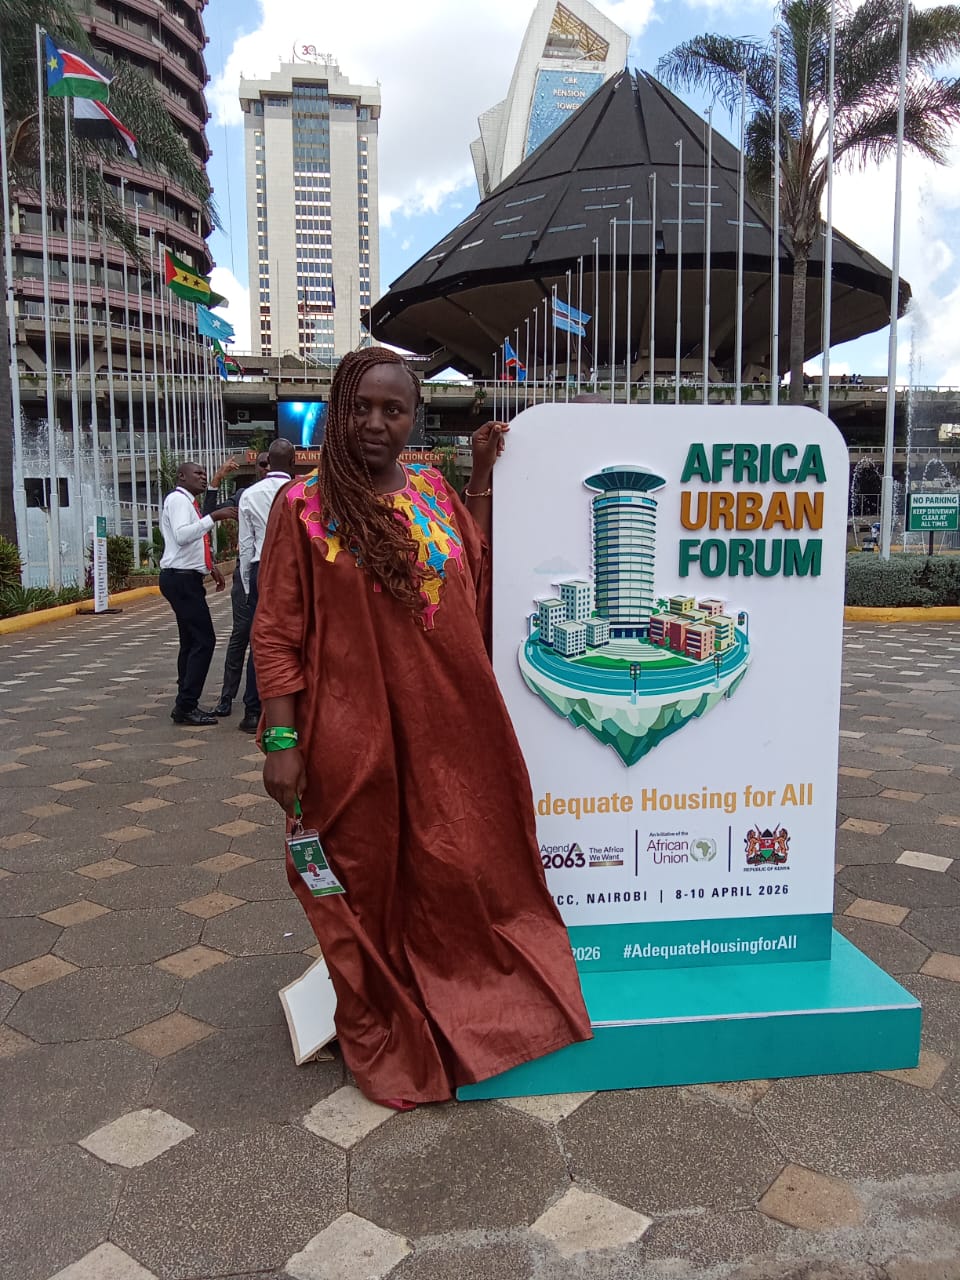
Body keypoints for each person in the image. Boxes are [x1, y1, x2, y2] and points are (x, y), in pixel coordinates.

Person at [253, 347, 592, 1110]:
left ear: (414, 418)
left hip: (450, 720)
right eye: (360, 408)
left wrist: (478, 477)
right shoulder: (303, 508)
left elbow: (470, 560)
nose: (375, 423)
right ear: (339, 412)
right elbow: (276, 629)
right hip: (353, 730)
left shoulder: (433, 491)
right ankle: (382, 1009)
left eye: (392, 409)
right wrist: (282, 741)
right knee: (363, 870)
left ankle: (460, 998)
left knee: (455, 858)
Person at [158, 461, 236, 726]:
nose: (203, 478)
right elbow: (182, 536)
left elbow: (189, 543)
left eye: (205, 474)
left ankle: (185, 700)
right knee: (205, 640)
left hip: (184, 577)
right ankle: (186, 706)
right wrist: (214, 516)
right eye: (198, 474)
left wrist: (208, 565)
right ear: (181, 476)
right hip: (180, 580)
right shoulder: (179, 501)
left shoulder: (186, 501)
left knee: (191, 641)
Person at [235, 439, 297, 733]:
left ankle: (252, 711)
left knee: (262, 639)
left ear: (267, 463)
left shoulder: (250, 494)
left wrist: (248, 586)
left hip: (263, 566)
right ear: (294, 461)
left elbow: (245, 545)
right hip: (296, 567)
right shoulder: (303, 492)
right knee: (298, 637)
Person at [211, 453, 269, 718]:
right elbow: (209, 514)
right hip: (247, 576)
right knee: (241, 635)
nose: (266, 468)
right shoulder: (245, 495)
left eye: (270, 463)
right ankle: (227, 696)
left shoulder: (291, 492)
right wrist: (217, 481)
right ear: (256, 468)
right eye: (262, 464)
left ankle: (260, 701)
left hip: (280, 576)